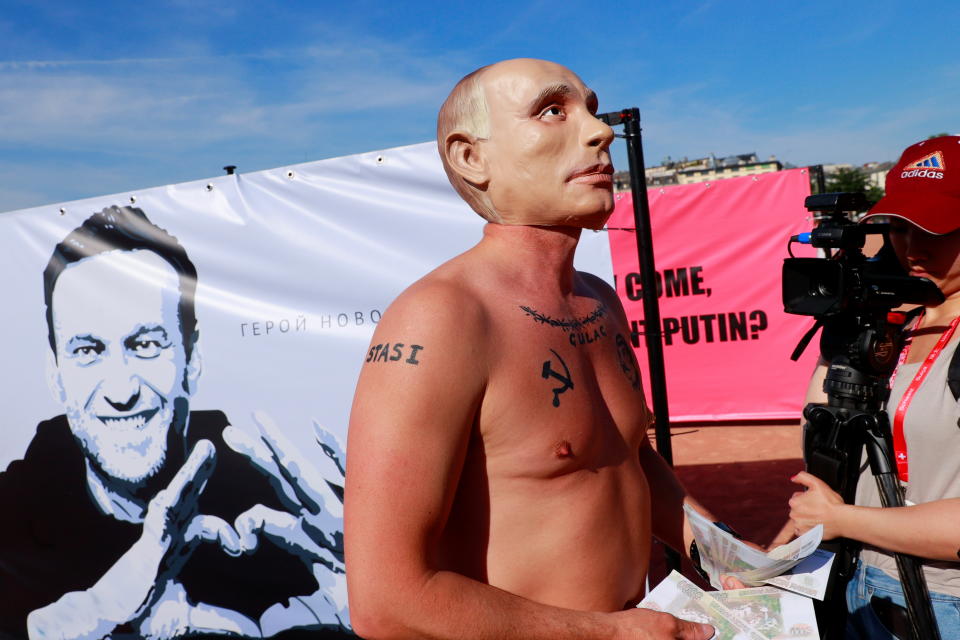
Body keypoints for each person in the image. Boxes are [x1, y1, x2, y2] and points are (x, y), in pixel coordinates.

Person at [345, 58, 740, 640]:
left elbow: (625, 460)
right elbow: (385, 601)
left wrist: (729, 557)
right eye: (552, 111)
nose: (600, 131)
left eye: (592, 109)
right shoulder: (441, 319)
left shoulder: (600, 301)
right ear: (470, 157)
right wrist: (613, 633)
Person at [0, 206, 350, 639]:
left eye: (145, 344)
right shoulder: (10, 517)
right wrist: (97, 612)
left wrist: (377, 582)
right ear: (55, 375)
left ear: (193, 362)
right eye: (88, 351)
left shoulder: (290, 516)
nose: (120, 390)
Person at [785, 135, 960, 639]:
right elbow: (826, 469)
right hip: (858, 588)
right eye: (899, 228)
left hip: (945, 604)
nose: (912, 247)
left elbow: (837, 513)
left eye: (936, 230)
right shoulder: (889, 330)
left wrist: (844, 521)